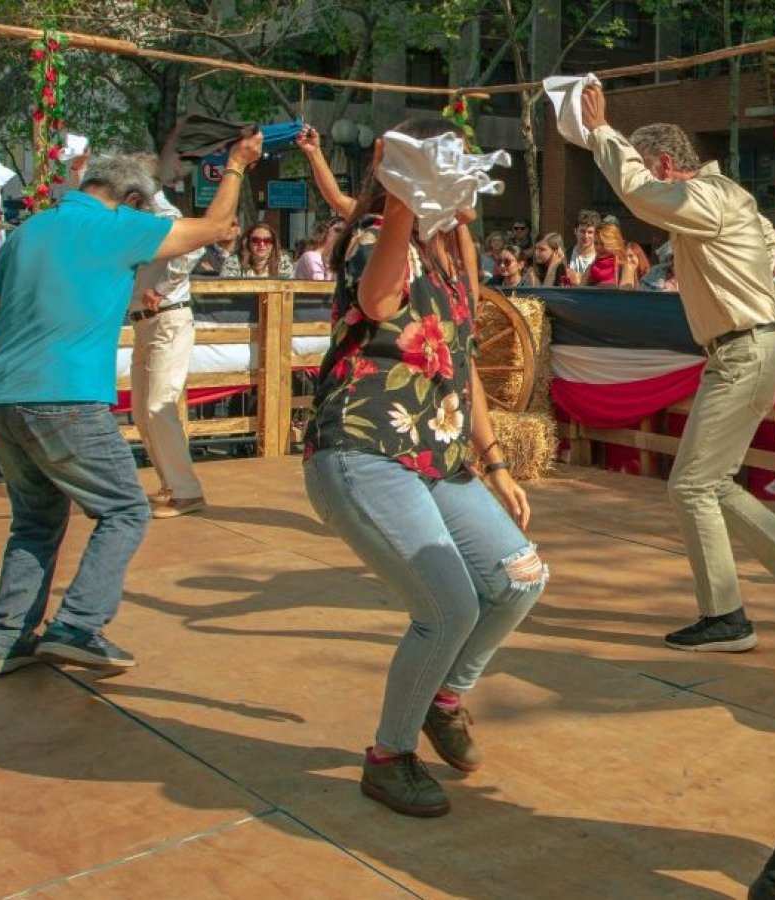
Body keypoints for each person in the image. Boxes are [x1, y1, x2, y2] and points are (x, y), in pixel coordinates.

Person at [303, 116, 546, 818]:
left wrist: (496, 461)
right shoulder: (381, 238)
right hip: (363, 447)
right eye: (452, 166)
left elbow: (461, 362)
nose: (471, 180)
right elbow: (379, 304)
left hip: (437, 459)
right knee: (448, 607)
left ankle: (444, 695)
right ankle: (388, 756)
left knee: (520, 577)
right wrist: (401, 195)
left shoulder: (450, 258)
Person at [0, 133, 263, 677]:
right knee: (125, 509)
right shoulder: (117, 225)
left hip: (3, 395)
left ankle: (5, 639)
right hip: (67, 396)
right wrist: (239, 166)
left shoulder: (28, 229)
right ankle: (77, 625)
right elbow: (218, 228)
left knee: (34, 520)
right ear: (130, 199)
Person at [580, 83, 775, 650]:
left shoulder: (709, 197)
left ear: (666, 164)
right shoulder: (727, 199)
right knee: (708, 483)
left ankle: (728, 617)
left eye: (650, 168)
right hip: (749, 349)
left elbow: (640, 194)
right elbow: (763, 234)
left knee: (691, 485)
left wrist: (600, 134)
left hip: (743, 351)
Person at [129, 164, 209, 520]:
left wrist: (161, 289)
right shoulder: (139, 217)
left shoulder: (163, 212)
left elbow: (193, 248)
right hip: (145, 323)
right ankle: (170, 484)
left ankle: (186, 491)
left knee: (158, 404)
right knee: (142, 411)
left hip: (168, 318)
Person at [223, 220, 295, 278]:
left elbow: (289, 288)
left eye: (267, 241)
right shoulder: (234, 260)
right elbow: (226, 289)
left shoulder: (283, 261)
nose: (261, 244)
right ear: (247, 242)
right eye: (256, 240)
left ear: (273, 244)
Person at [586, 222, 639, 287]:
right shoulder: (590, 269)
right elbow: (578, 295)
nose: (599, 248)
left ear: (614, 244)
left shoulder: (625, 268)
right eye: (596, 243)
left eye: (603, 244)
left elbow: (624, 296)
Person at [294, 216, 344, 281]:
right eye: (337, 230)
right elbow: (321, 285)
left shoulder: (336, 260)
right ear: (325, 232)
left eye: (345, 232)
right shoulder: (311, 256)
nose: (341, 235)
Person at [567, 210, 601, 283]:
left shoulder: (601, 258)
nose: (586, 236)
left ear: (596, 234)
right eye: (582, 231)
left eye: (590, 232)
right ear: (575, 231)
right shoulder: (565, 255)